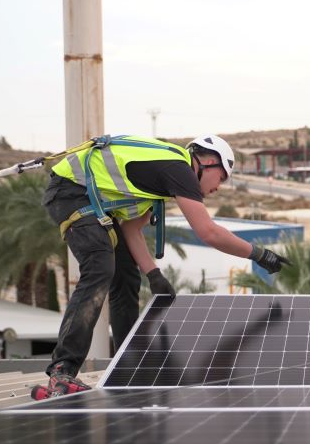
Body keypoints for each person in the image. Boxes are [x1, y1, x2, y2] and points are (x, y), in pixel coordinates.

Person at [32, 134, 290, 399]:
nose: (218, 187)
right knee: (100, 267)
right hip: (71, 192)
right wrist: (259, 254)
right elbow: (208, 232)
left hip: (87, 197)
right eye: (221, 178)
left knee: (126, 278)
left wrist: (153, 274)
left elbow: (131, 230)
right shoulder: (178, 169)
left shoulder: (160, 180)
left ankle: (128, 364)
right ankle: (63, 369)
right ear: (210, 162)